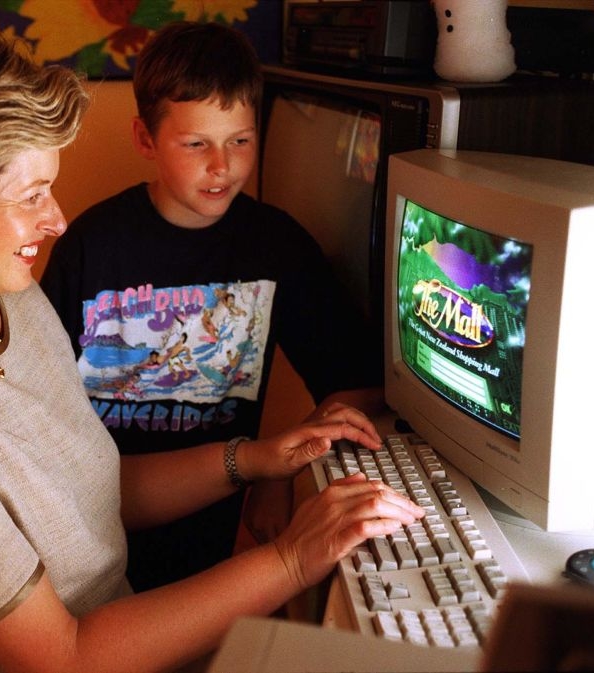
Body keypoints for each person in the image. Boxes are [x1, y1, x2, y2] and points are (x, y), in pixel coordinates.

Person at [0, 26, 424, 673]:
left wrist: (254, 459)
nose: (56, 219)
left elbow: (93, 491)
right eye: (31, 197)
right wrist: (293, 559)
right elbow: (66, 657)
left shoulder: (10, 303)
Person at [40, 20, 385, 592]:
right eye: (196, 144)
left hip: (210, 547)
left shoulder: (276, 245)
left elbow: (359, 382)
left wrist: (280, 470)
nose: (222, 165)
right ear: (146, 139)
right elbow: (37, 411)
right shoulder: (90, 246)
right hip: (85, 539)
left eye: (240, 141)